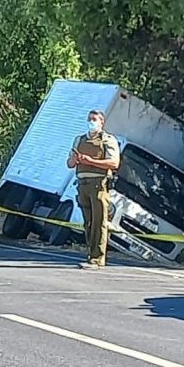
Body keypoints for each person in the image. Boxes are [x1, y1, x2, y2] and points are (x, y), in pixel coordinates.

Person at [66, 109, 121, 269]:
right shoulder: (79, 140)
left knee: (99, 222)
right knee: (88, 223)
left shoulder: (108, 140)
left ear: (102, 123)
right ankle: (91, 255)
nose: (91, 122)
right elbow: (69, 164)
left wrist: (91, 161)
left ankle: (98, 259)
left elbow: (114, 163)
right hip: (82, 185)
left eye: (95, 119)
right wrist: (75, 159)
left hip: (99, 185)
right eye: (89, 119)